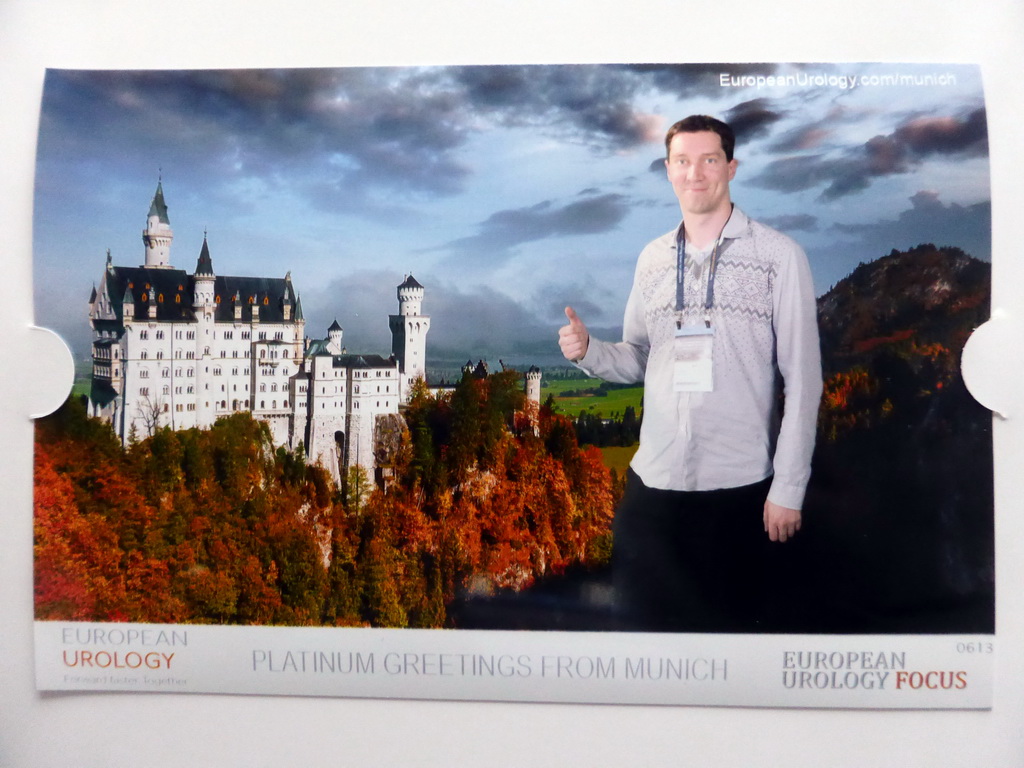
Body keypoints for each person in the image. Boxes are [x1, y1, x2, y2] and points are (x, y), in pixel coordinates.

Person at [559, 115, 822, 632]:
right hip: (652, 490)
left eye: (708, 159)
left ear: (731, 167)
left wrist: (789, 488)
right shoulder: (652, 259)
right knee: (641, 645)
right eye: (682, 161)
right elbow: (639, 357)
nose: (694, 173)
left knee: (731, 648)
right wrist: (588, 350)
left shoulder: (779, 257)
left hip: (741, 492)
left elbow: (804, 380)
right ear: (668, 170)